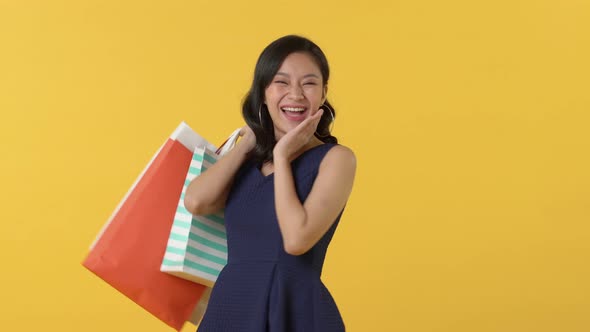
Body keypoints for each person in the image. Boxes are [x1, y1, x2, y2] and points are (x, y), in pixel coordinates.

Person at [184, 35, 356, 332]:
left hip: (293, 309)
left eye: (309, 83)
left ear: (324, 93)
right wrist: (247, 143)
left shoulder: (336, 159)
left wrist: (282, 156)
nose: (296, 94)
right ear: (262, 93)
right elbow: (196, 202)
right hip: (232, 306)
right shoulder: (247, 161)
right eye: (282, 82)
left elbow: (296, 240)